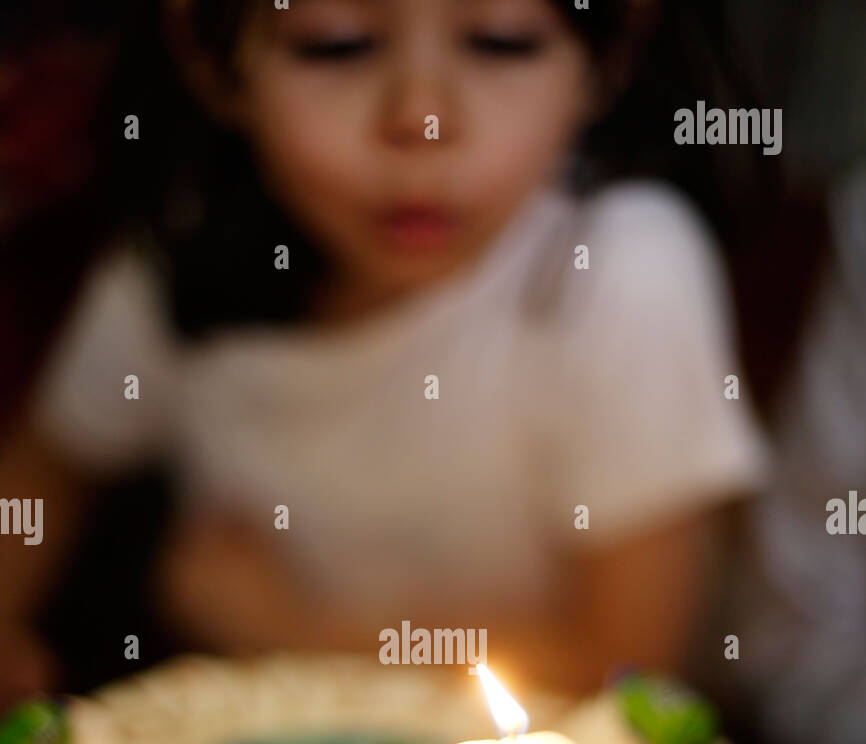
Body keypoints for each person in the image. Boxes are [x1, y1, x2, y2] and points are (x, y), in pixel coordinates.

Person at [0, 0, 768, 701]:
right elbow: (40, 484)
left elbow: (632, 673)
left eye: (501, 42)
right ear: (208, 51)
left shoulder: (615, 268)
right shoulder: (178, 259)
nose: (421, 120)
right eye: (339, 46)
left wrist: (294, 634)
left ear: (612, 48)